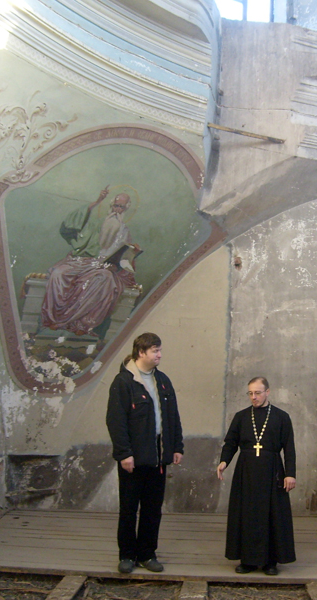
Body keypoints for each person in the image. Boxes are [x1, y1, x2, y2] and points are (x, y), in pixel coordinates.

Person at [106, 332, 183, 574]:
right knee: (129, 509)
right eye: (155, 351)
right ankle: (127, 555)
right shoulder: (123, 382)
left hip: (158, 457)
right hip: (133, 458)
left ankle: (147, 554)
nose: (159, 355)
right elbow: (115, 421)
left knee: (152, 509)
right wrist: (124, 454)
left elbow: (173, 417)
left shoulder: (163, 380)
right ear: (141, 352)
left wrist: (176, 447)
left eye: (159, 350)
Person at [216, 377, 296, 576]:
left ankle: (270, 562)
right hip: (246, 472)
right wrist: (224, 461)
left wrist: (290, 474)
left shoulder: (281, 417)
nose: (254, 397)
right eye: (250, 393)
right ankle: (248, 560)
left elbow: (289, 448)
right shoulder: (241, 417)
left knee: (272, 515)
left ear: (268, 392)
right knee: (247, 514)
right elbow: (230, 442)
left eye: (258, 393)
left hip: (272, 471)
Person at [41, 186, 140, 338]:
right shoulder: (95, 224)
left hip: (105, 267)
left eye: (121, 207)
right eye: (115, 205)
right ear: (111, 205)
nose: (117, 210)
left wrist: (132, 253)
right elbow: (69, 227)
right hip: (82, 260)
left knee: (105, 279)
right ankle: (56, 320)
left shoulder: (124, 232)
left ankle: (83, 324)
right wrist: (96, 202)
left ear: (126, 209)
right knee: (59, 273)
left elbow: (124, 260)